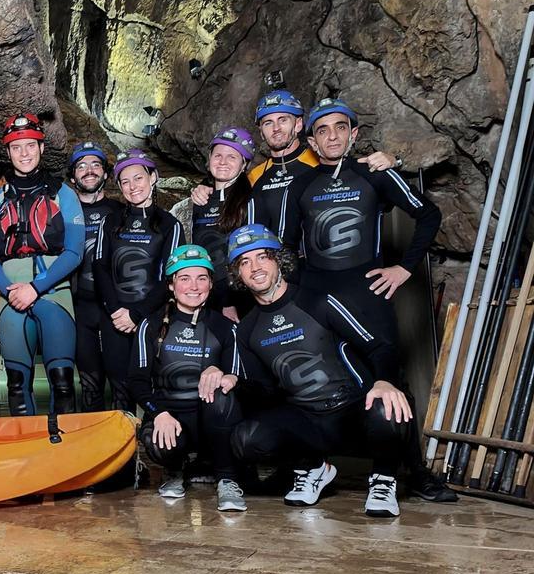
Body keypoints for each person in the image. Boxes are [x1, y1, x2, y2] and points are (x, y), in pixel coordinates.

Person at [280, 97, 453, 503]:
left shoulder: (373, 172)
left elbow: (428, 215)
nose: (332, 136)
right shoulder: (301, 184)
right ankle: (317, 469)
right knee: (318, 382)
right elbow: (286, 246)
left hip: (368, 292)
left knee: (390, 379)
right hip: (317, 298)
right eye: (323, 130)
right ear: (312, 140)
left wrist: (404, 269)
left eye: (340, 127)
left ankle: (409, 474)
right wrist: (299, 291)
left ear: (354, 134)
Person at [224, 224, 412, 517]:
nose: (255, 267)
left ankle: (383, 478)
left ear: (278, 261)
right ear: (238, 274)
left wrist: (385, 382)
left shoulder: (317, 301)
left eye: (262, 257)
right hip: (308, 423)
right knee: (246, 438)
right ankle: (313, 468)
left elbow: (380, 347)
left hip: (352, 411)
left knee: (387, 406)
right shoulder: (247, 329)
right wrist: (235, 381)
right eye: (244, 262)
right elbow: (266, 392)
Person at [129, 245, 245, 511]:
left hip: (210, 422)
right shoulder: (151, 324)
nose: (194, 286)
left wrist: (225, 375)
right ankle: (174, 470)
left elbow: (239, 377)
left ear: (210, 284)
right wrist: (158, 413)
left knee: (223, 393)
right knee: (160, 444)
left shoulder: (225, 327)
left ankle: (227, 478)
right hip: (169, 417)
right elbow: (136, 382)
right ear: (171, 285)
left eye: (201, 278)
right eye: (184, 278)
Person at [0, 114, 85, 416]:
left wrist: (35, 288)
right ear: (7, 152)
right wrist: (10, 291)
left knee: (63, 383)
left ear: (41, 148)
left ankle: (65, 452)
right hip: (11, 296)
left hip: (54, 294)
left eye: (30, 146)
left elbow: (74, 251)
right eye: (16, 147)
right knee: (16, 385)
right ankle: (24, 454)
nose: (24, 153)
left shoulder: (63, 194)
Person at [188, 90, 394, 237]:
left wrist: (394, 161)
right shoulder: (254, 176)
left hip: (318, 266)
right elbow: (227, 192)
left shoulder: (322, 164)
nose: (276, 128)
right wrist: (206, 190)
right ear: (261, 131)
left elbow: (373, 195)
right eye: (268, 123)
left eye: (283, 120)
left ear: (298, 124)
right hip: (267, 270)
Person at [93, 149, 182, 411]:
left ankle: (156, 443)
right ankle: (126, 450)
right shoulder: (110, 222)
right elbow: (100, 268)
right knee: (119, 388)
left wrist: (137, 314)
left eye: (138, 178)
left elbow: (171, 278)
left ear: (152, 178)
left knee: (150, 385)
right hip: (115, 315)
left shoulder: (169, 225)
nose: (133, 187)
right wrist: (116, 311)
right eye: (125, 181)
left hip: (150, 317)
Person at [170, 128, 255, 318]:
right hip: (204, 297)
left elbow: (252, 256)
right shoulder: (201, 201)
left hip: (241, 299)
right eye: (218, 155)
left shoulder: (252, 201)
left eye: (232, 157)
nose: (223, 162)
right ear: (209, 159)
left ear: (244, 164)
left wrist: (229, 303)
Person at [68, 142, 124, 412]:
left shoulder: (121, 212)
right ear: (72, 177)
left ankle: (128, 446)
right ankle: (94, 446)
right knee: (90, 385)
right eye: (81, 166)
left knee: (121, 382)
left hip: (114, 309)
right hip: (79, 308)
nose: (89, 171)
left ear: (105, 174)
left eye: (95, 165)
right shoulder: (65, 214)